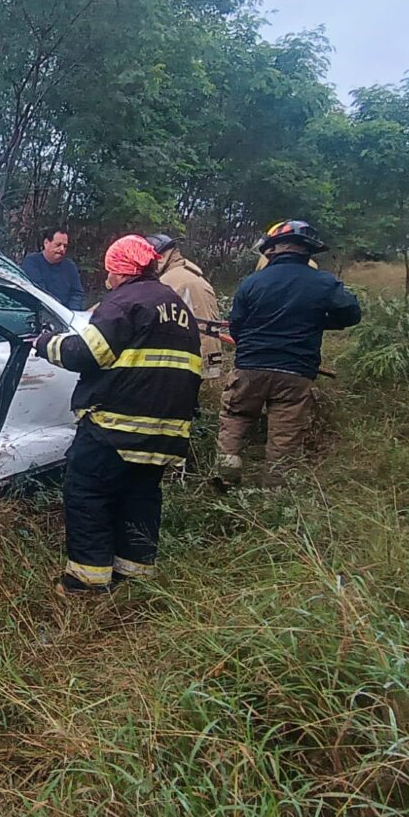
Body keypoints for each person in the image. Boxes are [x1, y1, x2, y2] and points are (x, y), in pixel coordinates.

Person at [35, 235, 202, 595]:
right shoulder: (177, 307)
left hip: (115, 427)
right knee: (140, 498)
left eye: (110, 270)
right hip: (164, 433)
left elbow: (85, 353)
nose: (108, 278)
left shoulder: (124, 301)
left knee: (88, 495)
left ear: (120, 270)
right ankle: (134, 577)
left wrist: (44, 343)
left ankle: (86, 583)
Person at [217, 220, 361, 488]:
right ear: (308, 250)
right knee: (284, 437)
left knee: (236, 417)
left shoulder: (252, 282)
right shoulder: (324, 282)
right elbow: (351, 314)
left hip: (250, 367)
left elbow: (236, 325)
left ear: (271, 249)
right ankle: (273, 494)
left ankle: (226, 474)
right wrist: (319, 320)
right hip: (296, 372)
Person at [148, 234, 223, 380]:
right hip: (208, 355)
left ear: (160, 257)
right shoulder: (190, 274)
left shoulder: (169, 281)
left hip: (189, 359)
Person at [22, 227, 85, 310]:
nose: (62, 249)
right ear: (46, 243)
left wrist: (73, 312)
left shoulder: (70, 266)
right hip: (40, 312)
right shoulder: (32, 262)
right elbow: (38, 291)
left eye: (65, 246)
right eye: (58, 245)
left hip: (67, 315)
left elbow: (77, 293)